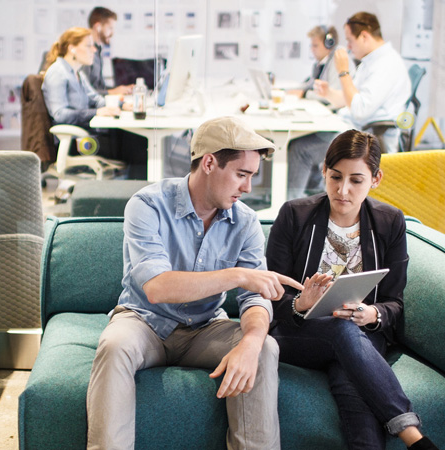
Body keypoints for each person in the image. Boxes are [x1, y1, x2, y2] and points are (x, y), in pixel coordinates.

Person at [86, 116, 304, 449]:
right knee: (114, 346)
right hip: (144, 322)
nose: (247, 188)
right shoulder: (147, 205)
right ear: (209, 163)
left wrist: (252, 340)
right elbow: (157, 287)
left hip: (204, 328)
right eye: (241, 175)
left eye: (251, 177)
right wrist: (240, 275)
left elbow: (254, 300)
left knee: (263, 348)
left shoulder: (245, 222)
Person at [266, 129, 440, 450]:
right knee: (342, 332)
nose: (342, 190)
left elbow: (393, 303)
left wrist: (372, 313)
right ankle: (412, 435)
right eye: (335, 177)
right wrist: (301, 304)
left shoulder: (390, 222)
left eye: (356, 180)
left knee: (353, 384)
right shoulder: (294, 215)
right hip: (297, 333)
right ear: (324, 171)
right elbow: (272, 298)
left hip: (361, 335)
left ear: (376, 179)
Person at [287, 12, 411, 200]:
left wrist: (343, 71)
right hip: (351, 126)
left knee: (301, 149)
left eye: (350, 40)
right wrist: (329, 93)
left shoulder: (387, 65)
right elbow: (350, 100)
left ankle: (295, 209)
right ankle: (311, 203)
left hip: (366, 135)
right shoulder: (371, 62)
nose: (349, 46)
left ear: (364, 36)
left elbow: (360, 110)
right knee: (303, 141)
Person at [41, 27, 121, 130]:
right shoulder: (57, 72)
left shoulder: (78, 73)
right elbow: (60, 114)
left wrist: (123, 105)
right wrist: (96, 112)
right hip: (75, 138)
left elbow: (96, 100)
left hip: (86, 132)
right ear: (72, 48)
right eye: (89, 46)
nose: (94, 50)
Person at [287, 25, 355, 105]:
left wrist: (305, 94)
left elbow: (330, 94)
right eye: (311, 45)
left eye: (315, 46)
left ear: (329, 44)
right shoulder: (321, 63)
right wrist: (285, 90)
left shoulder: (337, 61)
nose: (312, 49)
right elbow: (310, 85)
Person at [82, 7, 132, 96]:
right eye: (110, 28)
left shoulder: (98, 52)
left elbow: (100, 88)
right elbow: (85, 92)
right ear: (98, 27)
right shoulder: (85, 54)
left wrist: (121, 89)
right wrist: (112, 92)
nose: (112, 33)